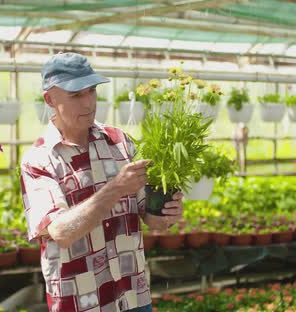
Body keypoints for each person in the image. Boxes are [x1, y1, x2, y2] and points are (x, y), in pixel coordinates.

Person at [20, 52, 184, 312]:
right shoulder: (39, 160)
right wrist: (116, 188)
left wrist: (167, 214)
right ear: (50, 99)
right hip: (81, 302)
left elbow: (150, 219)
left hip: (133, 296)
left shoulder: (119, 142)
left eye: (91, 91)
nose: (88, 103)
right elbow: (60, 232)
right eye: (76, 96)